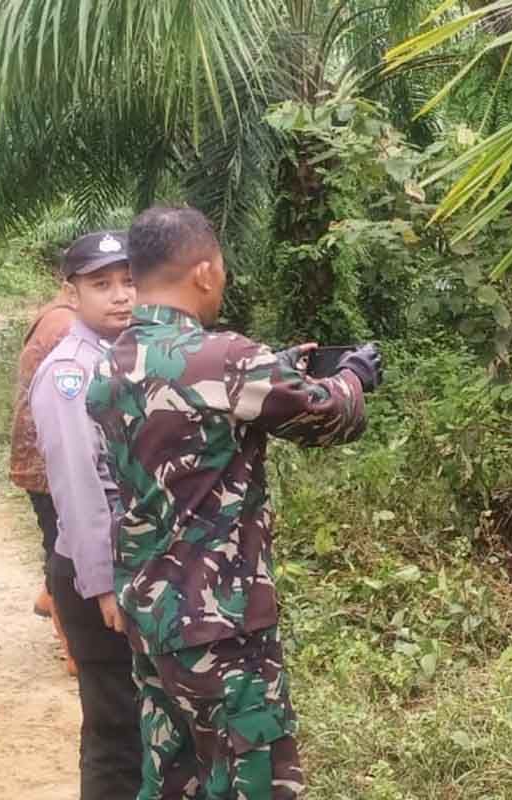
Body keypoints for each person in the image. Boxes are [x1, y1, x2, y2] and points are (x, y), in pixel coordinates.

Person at [86, 206, 383, 799]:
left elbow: (203, 411)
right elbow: (330, 418)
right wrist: (353, 375)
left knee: (175, 774)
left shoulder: (111, 360)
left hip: (152, 612)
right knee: (253, 776)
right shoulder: (224, 358)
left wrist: (282, 370)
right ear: (202, 272)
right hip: (221, 619)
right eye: (220, 268)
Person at [30, 230, 141, 797]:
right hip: (96, 574)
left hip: (129, 568)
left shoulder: (121, 357)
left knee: (133, 722)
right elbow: (77, 487)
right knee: (116, 728)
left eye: (128, 281)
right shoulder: (70, 373)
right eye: (102, 284)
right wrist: (104, 585)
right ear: (70, 292)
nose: (120, 295)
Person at [7, 264, 78, 673]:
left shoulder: (55, 314)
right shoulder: (67, 325)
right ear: (72, 286)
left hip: (38, 457)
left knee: (54, 537)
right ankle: (73, 646)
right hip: (50, 462)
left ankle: (50, 597)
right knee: (64, 543)